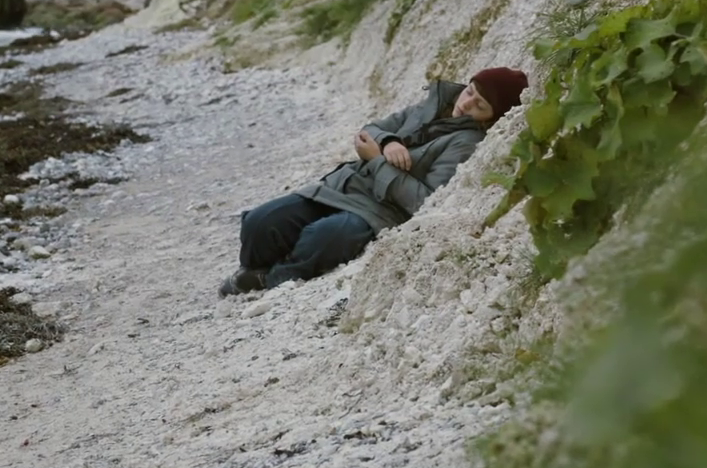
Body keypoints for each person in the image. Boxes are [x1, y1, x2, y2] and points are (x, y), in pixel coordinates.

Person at [221, 67, 529, 296]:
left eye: (480, 105)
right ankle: (253, 267)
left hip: (379, 210)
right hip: (343, 185)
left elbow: (425, 201)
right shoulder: (434, 102)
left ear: (490, 119)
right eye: (471, 91)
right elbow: (372, 128)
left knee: (327, 237)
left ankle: (269, 279)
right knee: (261, 222)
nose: (467, 103)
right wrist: (390, 141)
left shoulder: (466, 143)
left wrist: (377, 160)